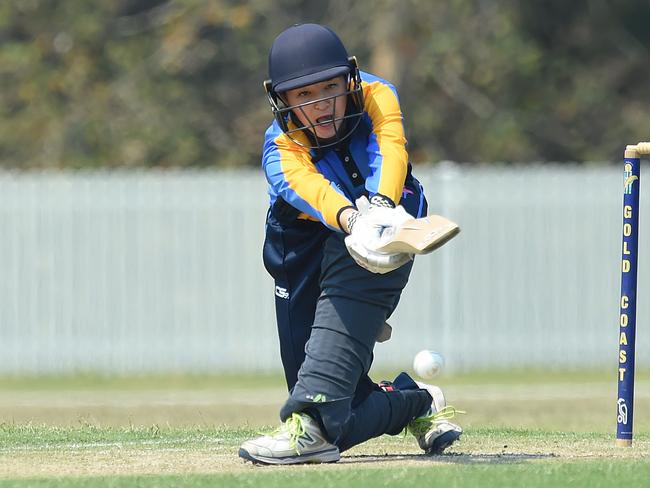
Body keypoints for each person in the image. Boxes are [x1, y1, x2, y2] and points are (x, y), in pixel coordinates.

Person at [239, 23, 462, 465]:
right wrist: (354, 218)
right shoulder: (279, 148)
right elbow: (312, 191)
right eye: (303, 96)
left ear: (349, 80)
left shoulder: (379, 94)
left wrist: (381, 206)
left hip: (390, 219)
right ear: (282, 100)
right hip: (301, 241)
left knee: (318, 402)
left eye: (329, 89)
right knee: (327, 392)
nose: (320, 105)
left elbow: (392, 148)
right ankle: (413, 401)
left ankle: (313, 428)